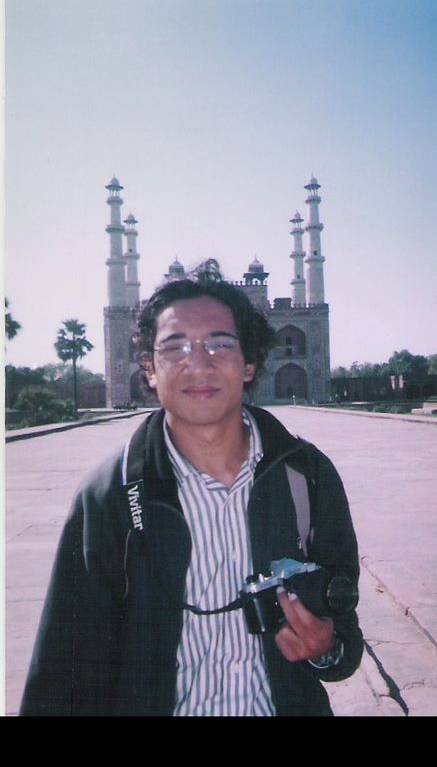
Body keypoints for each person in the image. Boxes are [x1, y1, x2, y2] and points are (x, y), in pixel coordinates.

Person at [20, 261, 363, 717]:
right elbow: (64, 670)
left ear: (249, 364)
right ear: (149, 368)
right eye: (175, 346)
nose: (199, 363)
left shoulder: (306, 476)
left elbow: (344, 631)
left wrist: (326, 646)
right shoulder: (109, 495)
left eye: (220, 344)